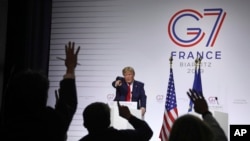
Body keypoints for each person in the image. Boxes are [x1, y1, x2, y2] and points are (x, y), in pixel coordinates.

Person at [1, 41, 80, 141]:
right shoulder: (48, 122)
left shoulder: (9, 122)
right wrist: (70, 68)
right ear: (43, 96)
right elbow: (69, 103)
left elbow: (68, 105)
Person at [79, 101, 153, 141]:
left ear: (85, 124)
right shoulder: (124, 137)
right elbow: (147, 132)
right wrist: (129, 116)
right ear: (108, 121)